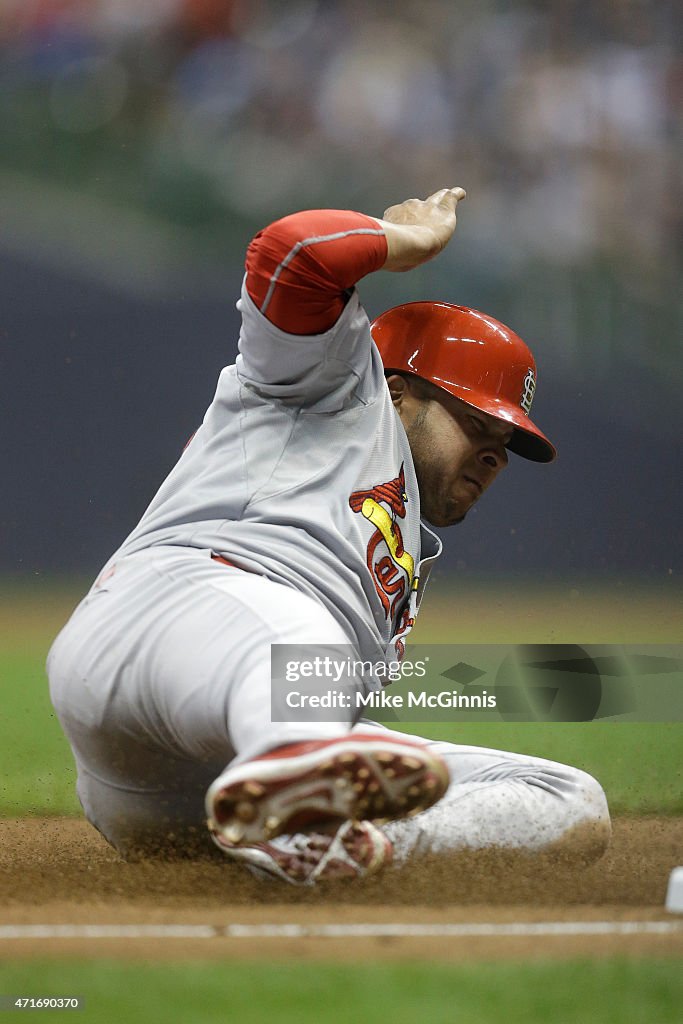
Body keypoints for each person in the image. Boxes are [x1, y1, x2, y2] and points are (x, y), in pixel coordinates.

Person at [47, 188, 611, 886]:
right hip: (166, 627)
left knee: (568, 802)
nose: (493, 457)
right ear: (399, 390)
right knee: (306, 652)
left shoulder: (402, 542)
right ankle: (300, 790)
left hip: (175, 793)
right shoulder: (333, 386)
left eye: (505, 446)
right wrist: (399, 241)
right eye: (475, 424)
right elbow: (289, 253)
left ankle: (337, 843)